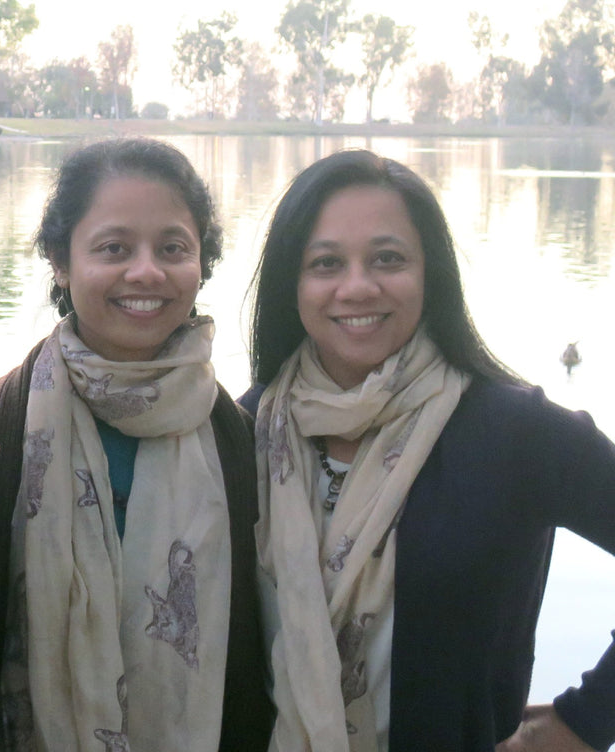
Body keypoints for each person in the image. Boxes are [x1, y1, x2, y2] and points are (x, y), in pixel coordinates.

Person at [239, 148, 615, 752]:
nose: (357, 286)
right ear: (293, 282)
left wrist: (583, 722)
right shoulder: (245, 430)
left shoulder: (515, 433)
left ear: (429, 273)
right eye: (326, 262)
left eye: (388, 259)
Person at [0, 138, 273, 751]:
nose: (146, 272)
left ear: (201, 262)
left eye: (172, 249)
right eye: (114, 248)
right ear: (61, 261)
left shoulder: (238, 439)